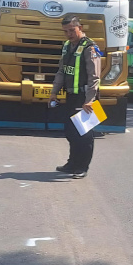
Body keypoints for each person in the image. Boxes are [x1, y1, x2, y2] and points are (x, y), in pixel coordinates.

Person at [48, 16, 101, 179]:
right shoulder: (67, 46)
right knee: (70, 131)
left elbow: (95, 76)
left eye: (72, 30)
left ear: (80, 27)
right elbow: (61, 71)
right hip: (71, 95)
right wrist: (54, 91)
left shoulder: (91, 48)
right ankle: (72, 163)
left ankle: (82, 167)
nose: (69, 34)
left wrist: (90, 100)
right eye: (66, 31)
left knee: (84, 134)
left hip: (86, 97)